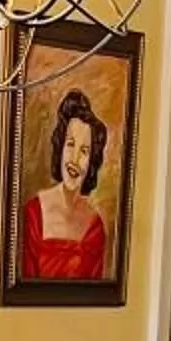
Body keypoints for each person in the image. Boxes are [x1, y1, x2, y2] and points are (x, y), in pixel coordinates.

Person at [21, 87, 112, 283]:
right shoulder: (34, 212)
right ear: (60, 147)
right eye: (70, 145)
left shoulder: (94, 227)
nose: (75, 160)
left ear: (92, 162)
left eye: (85, 151)